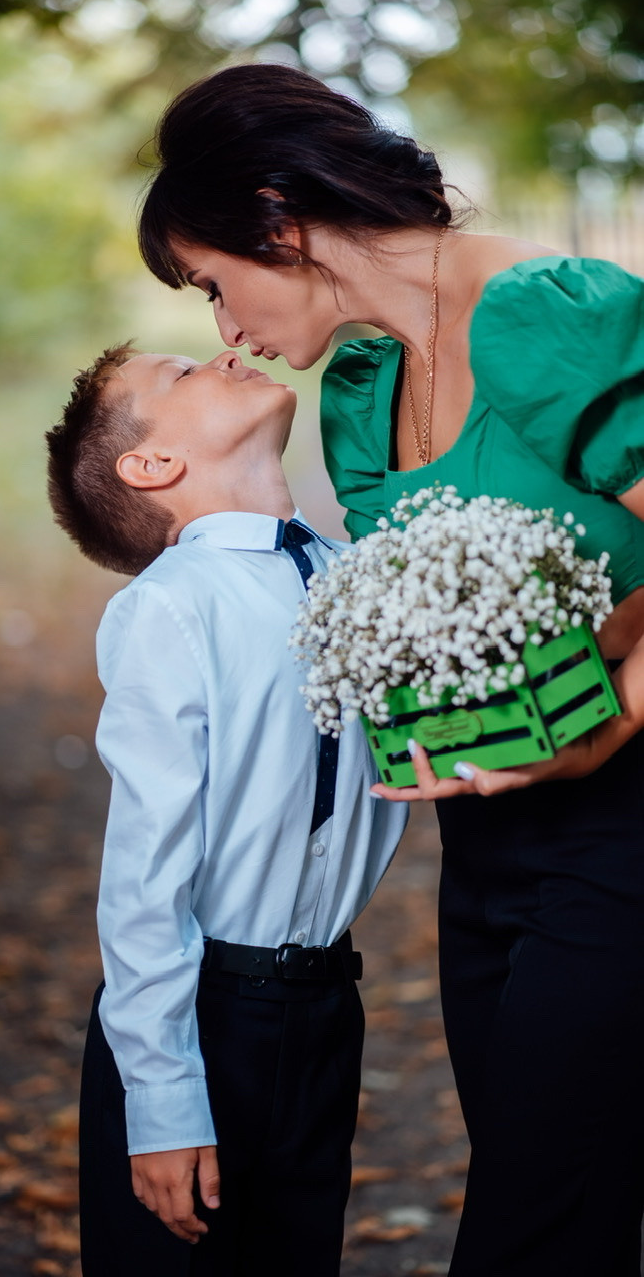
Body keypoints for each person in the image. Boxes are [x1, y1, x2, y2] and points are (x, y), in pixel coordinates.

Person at [136, 63, 644, 1277]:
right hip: (484, 858)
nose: (225, 325)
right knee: (555, 1198)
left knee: (532, 1222)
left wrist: (610, 717)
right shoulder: (358, 396)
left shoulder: (544, 312)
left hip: (626, 822)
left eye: (216, 281)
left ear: (279, 219)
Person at [45, 342, 407, 1276]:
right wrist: (160, 1100)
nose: (221, 350)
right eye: (179, 373)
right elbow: (144, 877)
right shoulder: (173, 606)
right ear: (153, 465)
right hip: (199, 1018)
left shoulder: (355, 571)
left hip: (325, 1005)